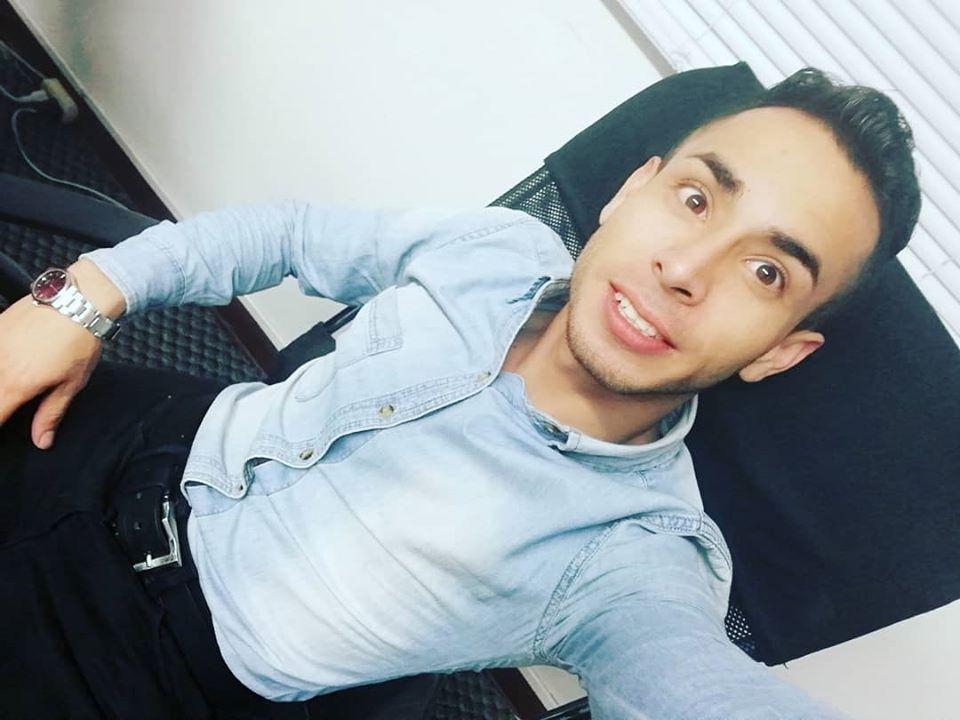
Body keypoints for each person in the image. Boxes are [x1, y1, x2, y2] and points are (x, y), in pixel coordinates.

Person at [0, 67, 920, 719]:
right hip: (148, 433)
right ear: (631, 192)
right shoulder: (496, 252)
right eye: (695, 199)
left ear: (780, 352)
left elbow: (690, 684)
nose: (686, 268)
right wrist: (82, 296)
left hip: (142, 671)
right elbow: (289, 234)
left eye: (766, 271)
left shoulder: (632, 558)